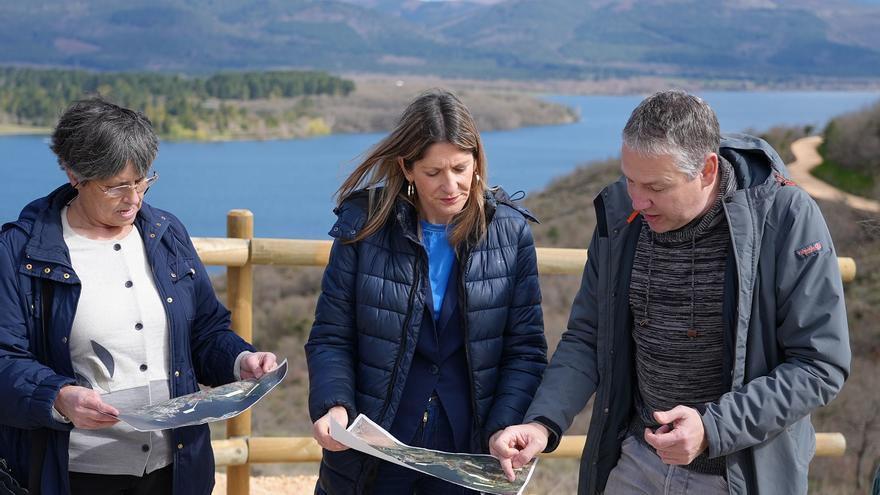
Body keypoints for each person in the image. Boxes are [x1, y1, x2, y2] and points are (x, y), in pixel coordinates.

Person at [490, 90, 851, 494]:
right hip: (634, 462)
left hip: (736, 475)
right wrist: (542, 423)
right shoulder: (623, 216)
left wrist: (713, 428)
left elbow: (819, 365)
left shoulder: (784, 218)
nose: (638, 200)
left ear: (707, 170)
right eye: (630, 180)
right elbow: (589, 338)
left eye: (656, 187)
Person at [0, 96, 277, 495]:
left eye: (143, 180)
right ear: (74, 174)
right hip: (74, 473)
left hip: (176, 469)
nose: (134, 198)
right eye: (117, 186)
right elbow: (5, 359)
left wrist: (239, 360)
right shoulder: (20, 251)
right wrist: (57, 397)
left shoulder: (167, 233)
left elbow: (204, 332)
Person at [305, 89, 547, 494]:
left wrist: (504, 426)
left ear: (477, 161)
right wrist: (334, 404)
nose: (451, 185)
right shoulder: (363, 226)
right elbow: (331, 335)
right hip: (371, 452)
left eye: (460, 168)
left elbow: (525, 350)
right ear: (407, 167)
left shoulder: (510, 231)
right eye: (434, 172)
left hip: (471, 450)